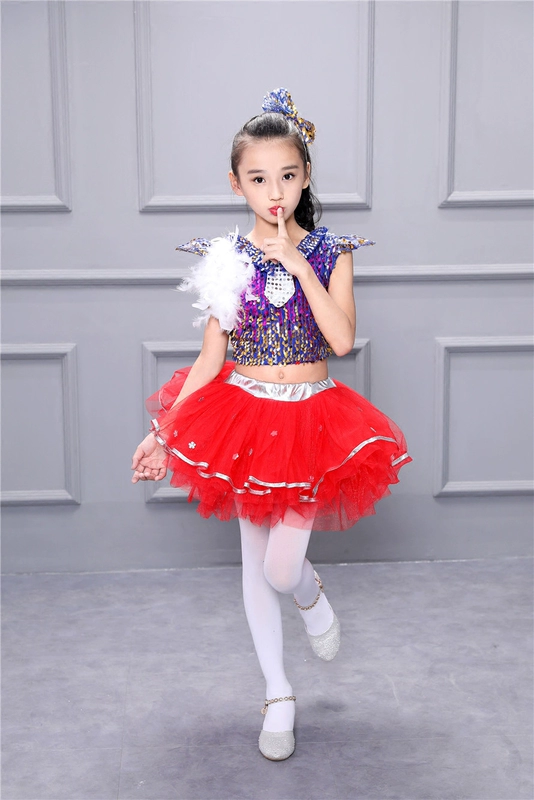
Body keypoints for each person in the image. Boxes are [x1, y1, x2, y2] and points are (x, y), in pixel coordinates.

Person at [131, 88, 412, 761]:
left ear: (305, 176)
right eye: (258, 179)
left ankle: (311, 596)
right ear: (237, 184)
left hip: (313, 419)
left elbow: (340, 341)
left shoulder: (332, 252)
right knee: (254, 564)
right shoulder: (226, 257)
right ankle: (278, 693)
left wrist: (298, 266)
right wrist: (162, 431)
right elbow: (211, 358)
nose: (274, 192)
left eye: (287, 176)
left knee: (284, 567)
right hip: (245, 417)